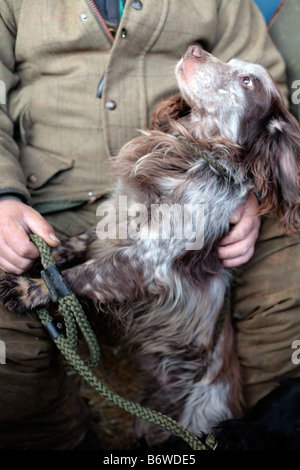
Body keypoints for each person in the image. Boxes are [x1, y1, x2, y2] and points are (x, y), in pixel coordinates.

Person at [0, 0, 296, 450]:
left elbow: (268, 82)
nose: (196, 52)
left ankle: (253, 438)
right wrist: (4, 194)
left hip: (210, 185)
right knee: (9, 352)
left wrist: (252, 197)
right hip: (44, 201)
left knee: (289, 296)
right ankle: (56, 439)